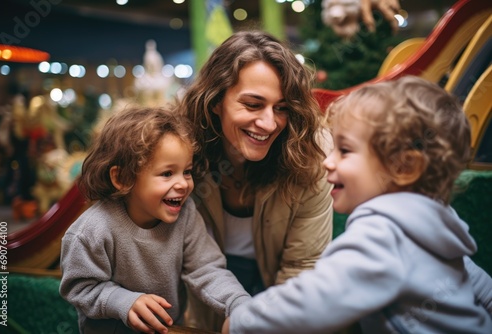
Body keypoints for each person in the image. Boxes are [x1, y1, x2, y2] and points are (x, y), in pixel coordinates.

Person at [222, 76, 492, 334]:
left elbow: (316, 298)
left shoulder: (382, 235)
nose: (328, 161)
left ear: (404, 167)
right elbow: (480, 286)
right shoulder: (432, 222)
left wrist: (241, 324)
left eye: (345, 150)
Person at [178, 30, 334, 330]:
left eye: (282, 108)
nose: (269, 123)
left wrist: (257, 323)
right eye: (252, 104)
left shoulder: (312, 155)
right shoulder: (179, 153)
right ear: (215, 100)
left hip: (281, 296)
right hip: (200, 302)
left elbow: (302, 268)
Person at [59, 106, 250, 334]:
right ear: (122, 178)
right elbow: (79, 288)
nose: (183, 184)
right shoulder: (91, 230)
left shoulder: (186, 215)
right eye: (167, 173)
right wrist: (123, 301)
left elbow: (207, 269)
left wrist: (238, 303)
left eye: (186, 171)